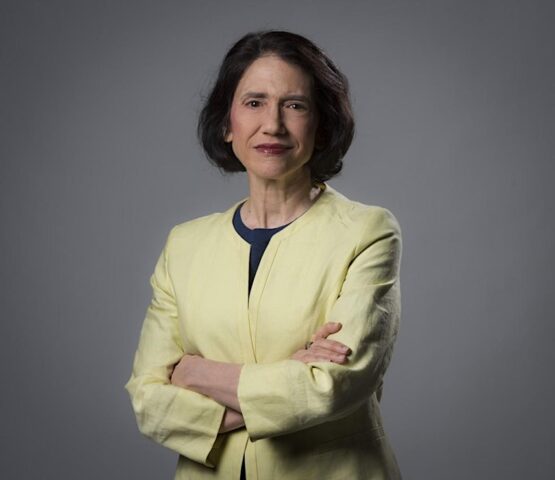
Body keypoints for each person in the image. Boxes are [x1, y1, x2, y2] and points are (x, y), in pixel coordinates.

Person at [125, 30, 402, 480]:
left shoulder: (367, 232)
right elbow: (148, 401)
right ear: (227, 124)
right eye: (254, 102)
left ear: (322, 124)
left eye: (294, 105)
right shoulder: (184, 245)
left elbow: (332, 386)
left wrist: (196, 374)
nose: (272, 124)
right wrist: (286, 379)